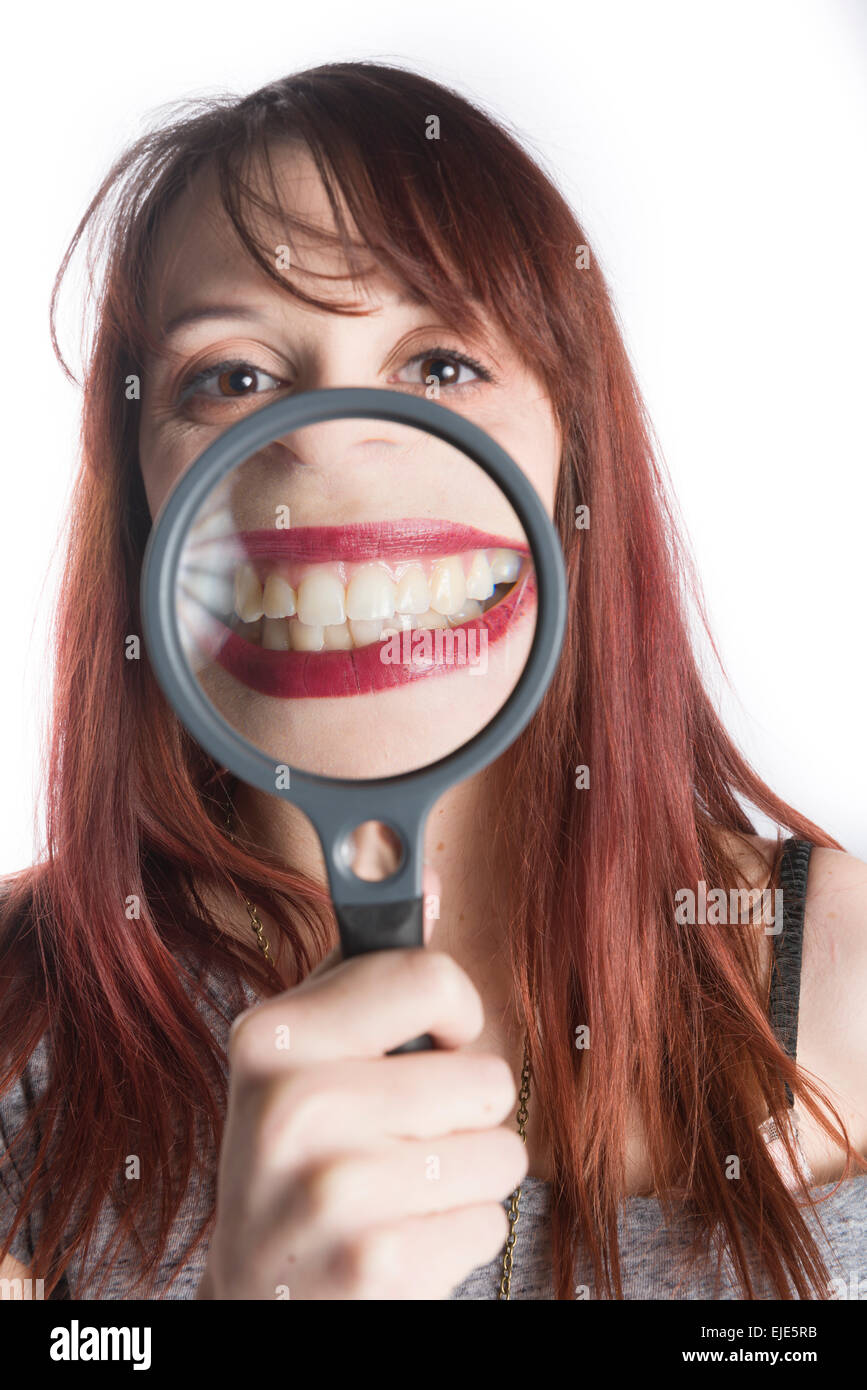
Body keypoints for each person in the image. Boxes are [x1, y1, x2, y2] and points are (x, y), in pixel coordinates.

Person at [1, 61, 865, 1302]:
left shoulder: (852, 976)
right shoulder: (17, 1029)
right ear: (143, 499)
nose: (330, 433)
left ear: (573, 471)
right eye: (231, 377)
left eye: (442, 364)